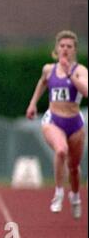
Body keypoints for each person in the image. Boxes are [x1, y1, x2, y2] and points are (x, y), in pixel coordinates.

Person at [26, 30, 87, 219]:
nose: (65, 50)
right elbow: (42, 83)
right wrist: (33, 103)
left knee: (74, 167)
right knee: (61, 150)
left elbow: (86, 92)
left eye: (69, 46)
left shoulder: (80, 70)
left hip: (75, 123)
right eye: (62, 46)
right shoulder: (48, 69)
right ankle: (59, 193)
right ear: (57, 49)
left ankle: (75, 196)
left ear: (74, 50)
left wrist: (70, 74)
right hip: (53, 120)